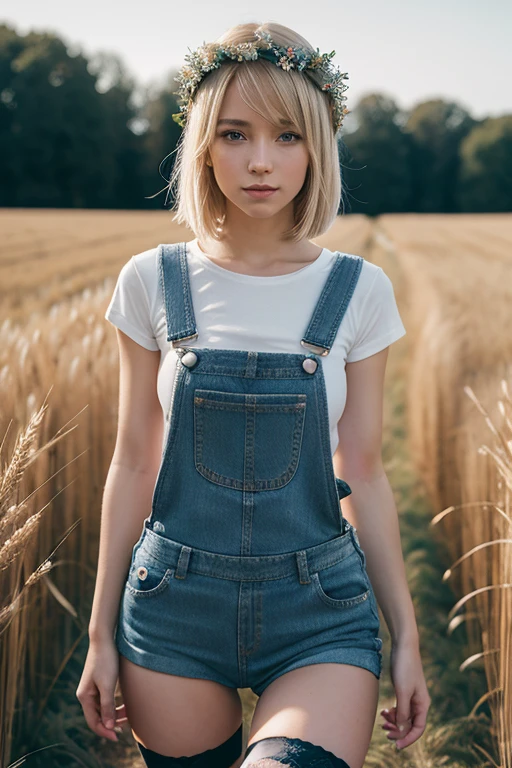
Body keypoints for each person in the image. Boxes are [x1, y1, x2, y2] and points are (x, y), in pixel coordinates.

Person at [76, 20, 431, 768]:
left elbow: (362, 469)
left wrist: (407, 637)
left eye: (287, 136)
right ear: (203, 143)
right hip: (173, 609)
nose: (261, 162)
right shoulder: (151, 280)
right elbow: (133, 461)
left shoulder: (359, 290)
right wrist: (100, 633)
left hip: (320, 613)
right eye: (235, 134)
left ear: (318, 147)